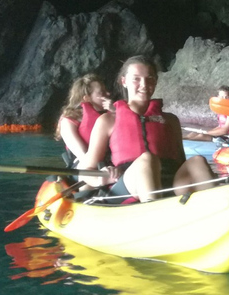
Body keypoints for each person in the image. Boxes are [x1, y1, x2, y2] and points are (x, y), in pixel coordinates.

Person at [79, 55, 216, 203]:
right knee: (147, 159)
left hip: (170, 184)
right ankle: (153, 212)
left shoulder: (171, 120)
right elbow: (85, 171)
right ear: (124, 81)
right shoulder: (107, 120)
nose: (144, 85)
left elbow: (181, 163)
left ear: (155, 82)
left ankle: (217, 208)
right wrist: (101, 179)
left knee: (197, 161)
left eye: (150, 79)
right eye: (136, 79)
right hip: (130, 185)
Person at [55, 73, 114, 166]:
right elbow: (83, 155)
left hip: (112, 163)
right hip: (85, 166)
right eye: (102, 92)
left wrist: (116, 112)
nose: (108, 93)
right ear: (87, 98)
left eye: (106, 90)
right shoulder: (68, 121)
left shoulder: (112, 114)